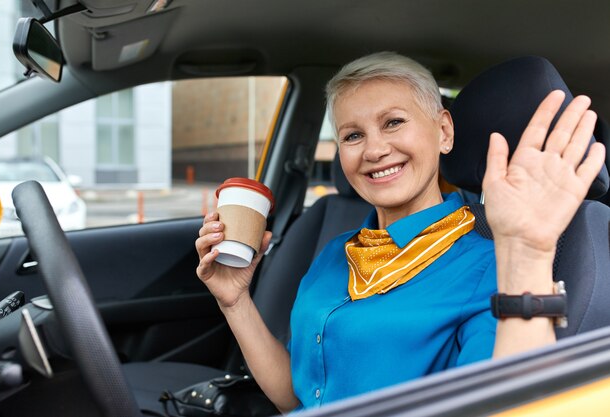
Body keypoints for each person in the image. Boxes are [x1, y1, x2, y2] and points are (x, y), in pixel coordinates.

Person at [195, 52, 606, 412]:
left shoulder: (493, 262)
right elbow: (298, 397)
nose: (373, 150)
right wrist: (234, 301)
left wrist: (526, 250)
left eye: (393, 122)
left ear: (443, 131)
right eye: (353, 135)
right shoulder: (335, 254)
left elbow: (512, 404)